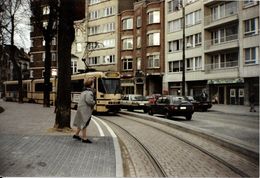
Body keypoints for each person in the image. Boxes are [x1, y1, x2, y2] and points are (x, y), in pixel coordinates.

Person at [72, 78, 96, 143]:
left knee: (81, 122)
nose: (93, 85)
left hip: (81, 109)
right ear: (91, 85)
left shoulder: (83, 91)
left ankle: (76, 135)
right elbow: (89, 101)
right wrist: (94, 102)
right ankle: (84, 138)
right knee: (84, 123)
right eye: (93, 83)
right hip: (85, 110)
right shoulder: (89, 92)